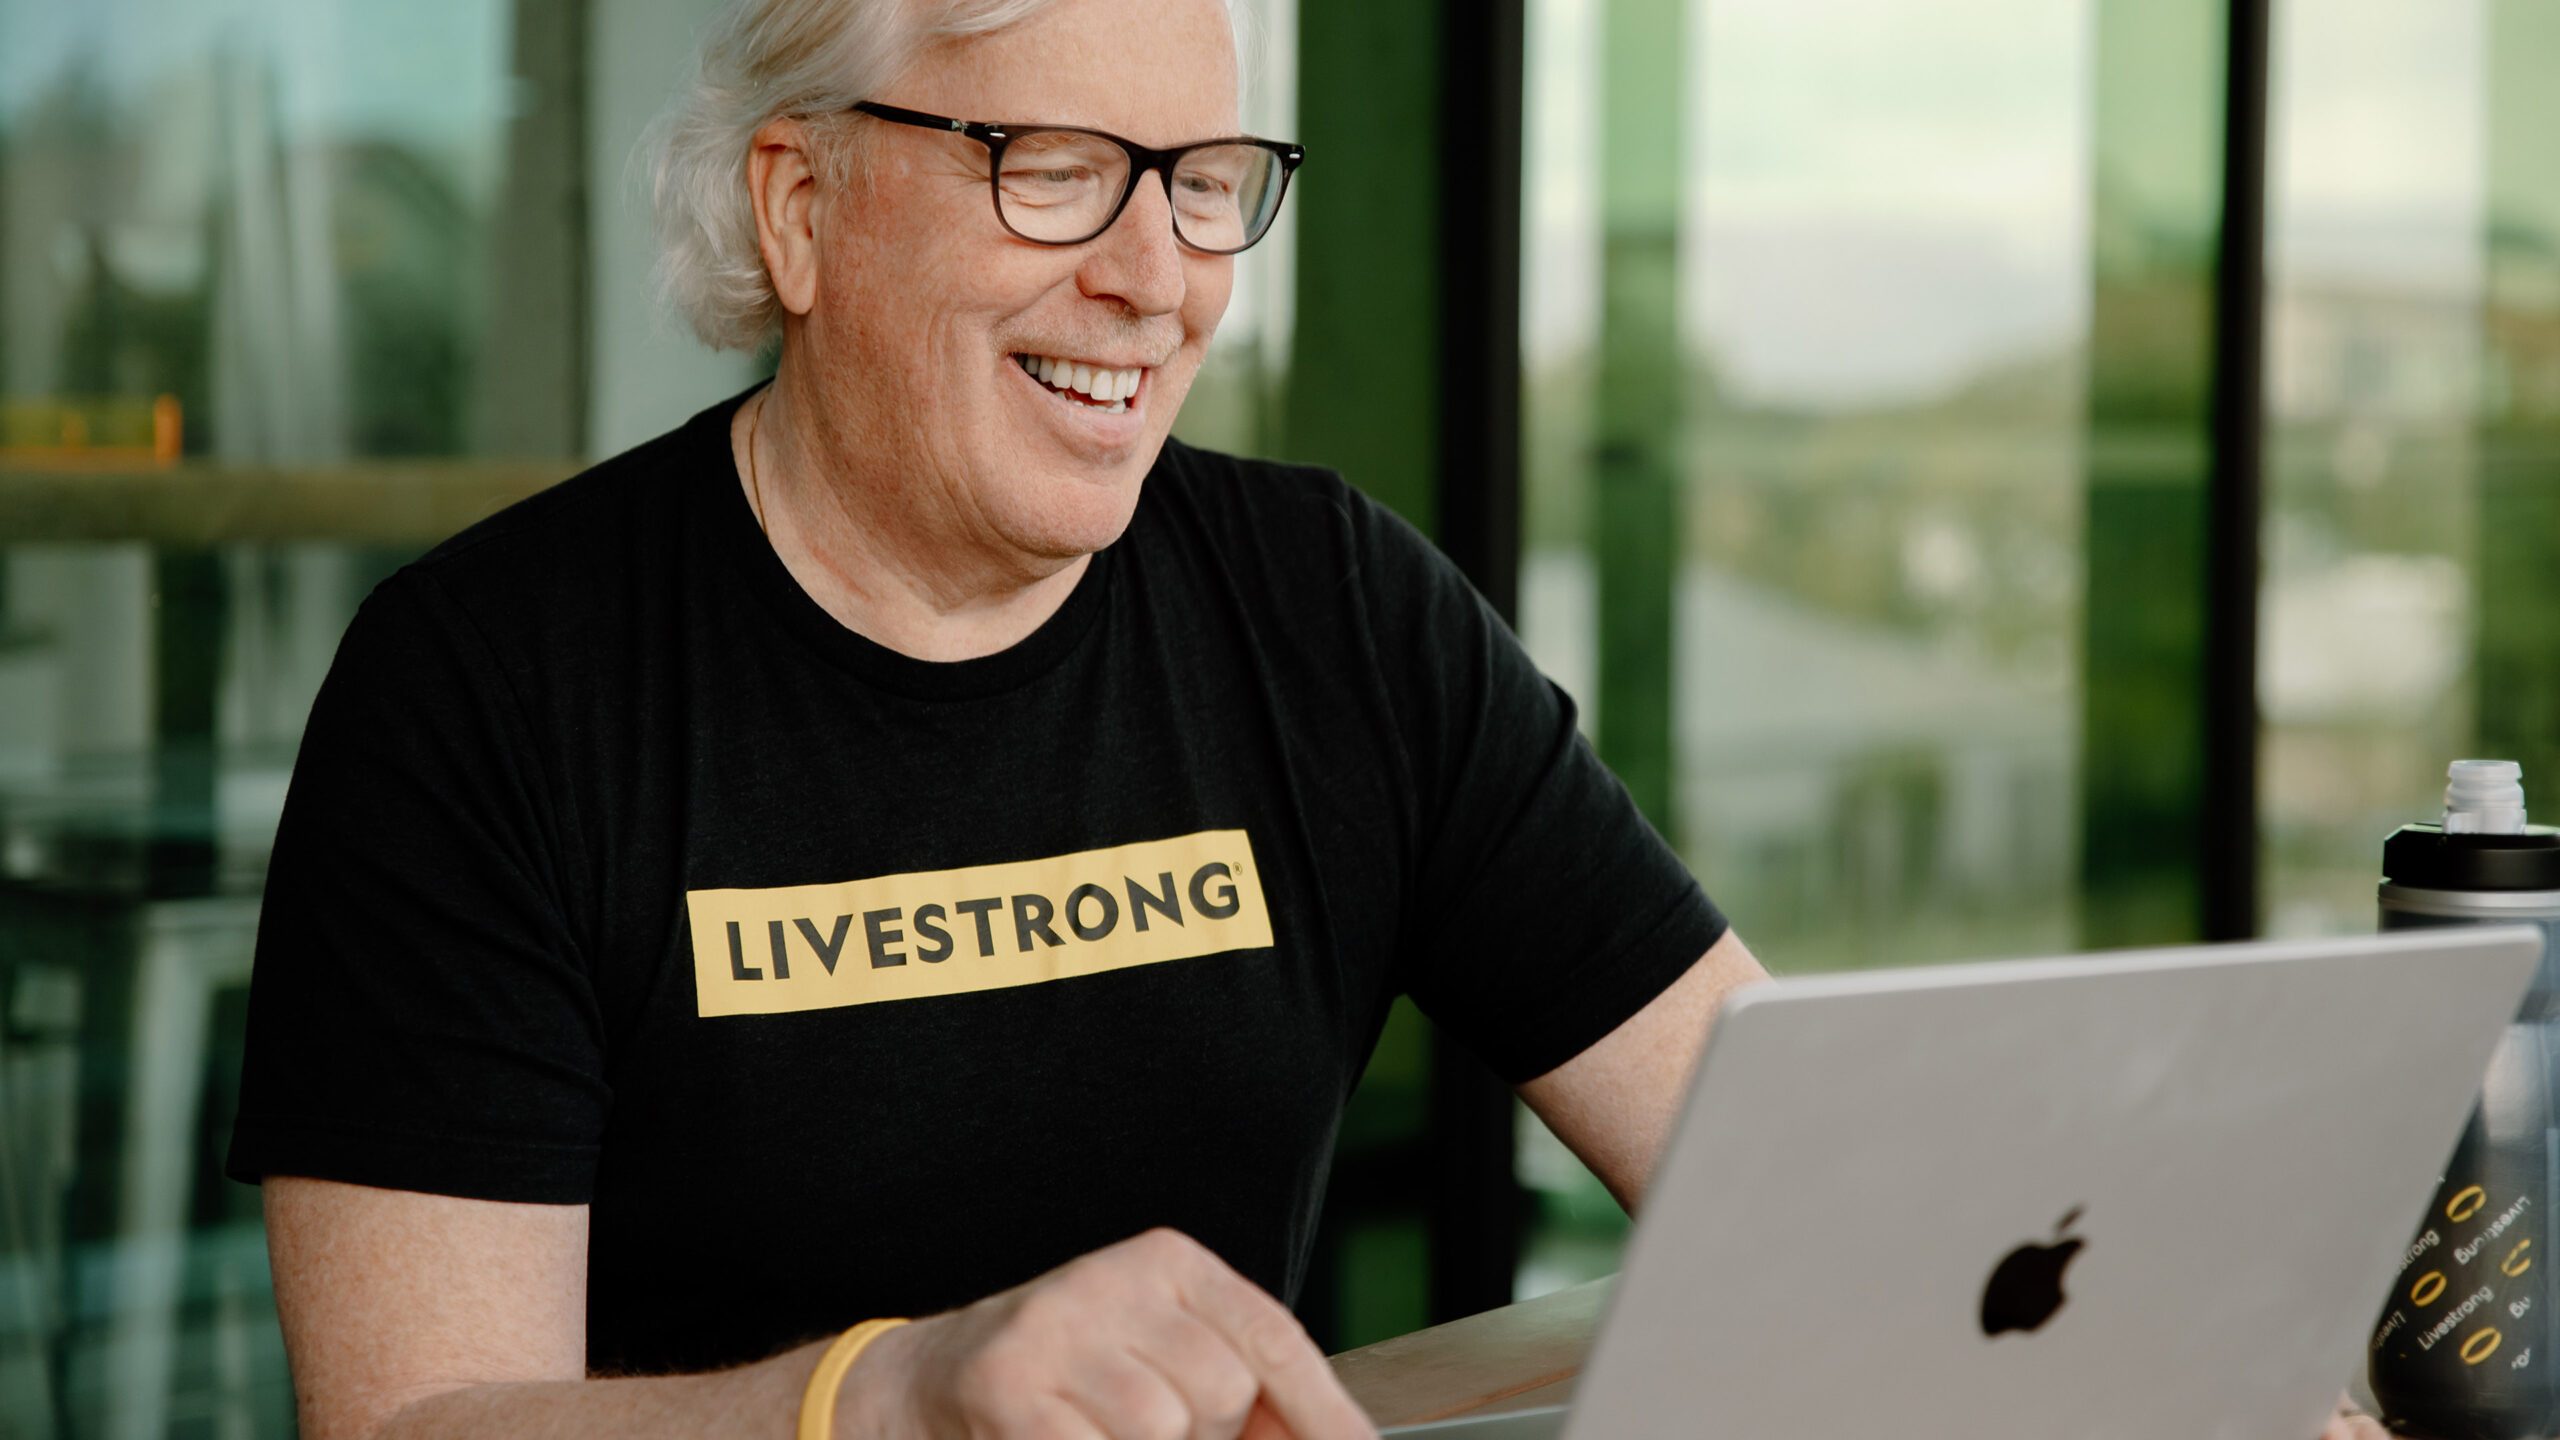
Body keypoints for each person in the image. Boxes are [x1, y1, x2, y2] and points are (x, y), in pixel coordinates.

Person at [223, 1, 2381, 1437]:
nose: (1155, 274)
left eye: (1203, 179)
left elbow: (1793, 1155)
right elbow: (416, 1426)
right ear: (801, 207)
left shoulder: (1328, 608)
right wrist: (884, 1400)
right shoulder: (486, 687)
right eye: (1052, 165)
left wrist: (2183, 1364)